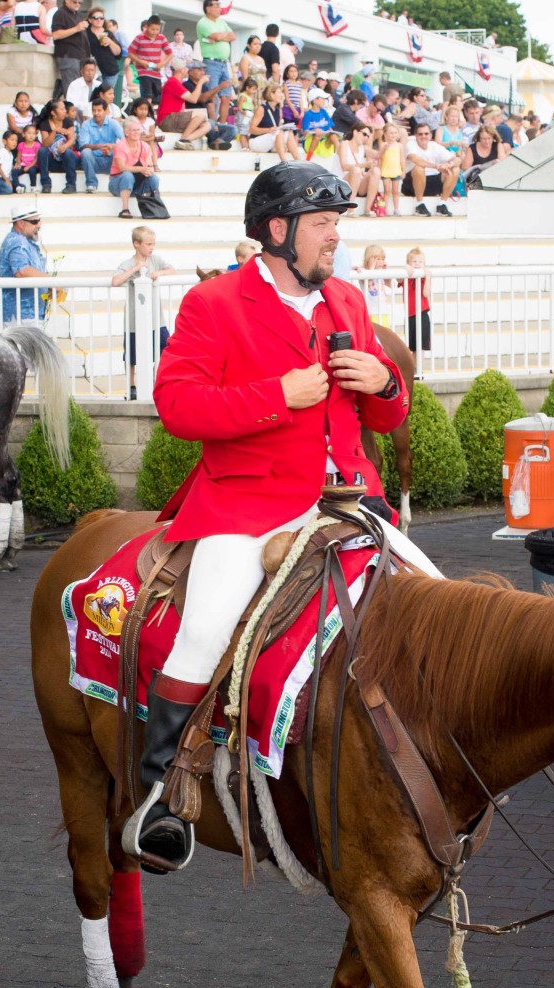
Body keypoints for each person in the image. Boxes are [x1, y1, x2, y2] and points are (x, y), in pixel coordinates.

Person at [121, 163, 414, 873]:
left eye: (336, 225)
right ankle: (162, 792)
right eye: (323, 225)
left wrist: (386, 382)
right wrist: (277, 393)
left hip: (350, 501)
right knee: (205, 627)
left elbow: (386, 412)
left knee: (433, 601)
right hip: (247, 504)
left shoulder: (346, 300)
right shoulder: (213, 304)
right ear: (278, 232)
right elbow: (179, 407)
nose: (335, 237)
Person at [112, 224, 175, 396]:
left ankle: (158, 382)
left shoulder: (156, 260)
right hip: (134, 319)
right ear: (136, 244)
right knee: (131, 354)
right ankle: (131, 387)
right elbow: (115, 281)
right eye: (148, 244)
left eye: (153, 244)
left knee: (165, 347)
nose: (152, 248)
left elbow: (172, 269)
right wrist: (135, 269)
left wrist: (159, 274)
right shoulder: (127, 263)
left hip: (156, 318)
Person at [0, 202, 49, 323]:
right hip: (21, 315)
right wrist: (51, 281)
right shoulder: (17, 242)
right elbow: (22, 271)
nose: (39, 225)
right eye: (34, 222)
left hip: (27, 313)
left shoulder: (25, 242)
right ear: (20, 223)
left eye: (39, 220)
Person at [109, 118, 160, 218]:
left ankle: (153, 208)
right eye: (133, 130)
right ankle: (125, 209)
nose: (136, 133)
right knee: (128, 175)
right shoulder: (120, 146)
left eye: (138, 130)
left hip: (137, 184)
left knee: (153, 177)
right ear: (126, 132)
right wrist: (141, 169)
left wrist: (148, 171)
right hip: (118, 184)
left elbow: (149, 165)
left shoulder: (145, 146)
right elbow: (122, 168)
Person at [405, 123, 459, 217]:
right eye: (420, 134)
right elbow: (416, 160)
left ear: (430, 135)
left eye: (426, 134)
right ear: (416, 136)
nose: (423, 136)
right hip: (412, 183)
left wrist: (448, 165)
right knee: (418, 168)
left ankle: (442, 204)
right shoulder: (411, 144)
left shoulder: (434, 145)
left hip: (432, 181)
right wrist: (437, 166)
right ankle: (419, 205)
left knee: (455, 169)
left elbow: (457, 160)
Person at [196, 0, 235, 125]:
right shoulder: (203, 22)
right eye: (216, 5)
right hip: (211, 63)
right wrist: (222, 36)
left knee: (226, 96)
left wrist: (220, 37)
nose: (219, 8)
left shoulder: (221, 22)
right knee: (212, 95)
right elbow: (216, 36)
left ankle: (222, 124)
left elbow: (232, 36)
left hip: (224, 63)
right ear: (208, 8)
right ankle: (212, 124)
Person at [157, 63, 212, 148]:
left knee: (207, 125)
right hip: (167, 119)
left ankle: (185, 140)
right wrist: (200, 82)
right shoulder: (173, 82)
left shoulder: (176, 83)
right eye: (186, 68)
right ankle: (183, 139)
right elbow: (194, 99)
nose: (188, 70)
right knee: (201, 114)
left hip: (173, 119)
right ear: (181, 70)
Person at [51, 0, 93, 95]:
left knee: (82, 89)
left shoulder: (76, 15)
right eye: (75, 1)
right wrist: (76, 28)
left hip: (81, 57)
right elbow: (56, 35)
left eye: (80, 2)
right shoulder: (60, 13)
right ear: (66, 0)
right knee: (72, 89)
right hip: (69, 56)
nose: (78, 4)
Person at [77, 94, 125, 188]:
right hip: (94, 161)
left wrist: (112, 147)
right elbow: (83, 146)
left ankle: (121, 183)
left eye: (99, 110)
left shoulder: (114, 124)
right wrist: (99, 146)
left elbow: (125, 142)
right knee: (85, 152)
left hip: (111, 160)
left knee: (121, 150)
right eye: (94, 110)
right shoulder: (86, 125)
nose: (96, 113)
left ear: (106, 111)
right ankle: (91, 184)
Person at [128, 15, 173, 103]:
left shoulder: (162, 38)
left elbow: (170, 53)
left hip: (156, 72)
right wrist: (141, 62)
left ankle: (152, 114)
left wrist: (162, 64)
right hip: (143, 71)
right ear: (147, 27)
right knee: (147, 96)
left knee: (157, 98)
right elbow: (130, 52)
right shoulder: (139, 38)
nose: (155, 32)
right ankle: (147, 113)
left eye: (157, 29)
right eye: (152, 29)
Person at [404, 246, 431, 372]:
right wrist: (406, 269)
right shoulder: (407, 277)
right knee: (412, 346)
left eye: (420, 262)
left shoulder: (424, 276)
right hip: (410, 315)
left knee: (420, 346)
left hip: (422, 313)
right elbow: (397, 280)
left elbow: (426, 293)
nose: (417, 264)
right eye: (414, 262)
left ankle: (419, 369)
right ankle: (413, 369)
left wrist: (428, 277)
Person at [84, 6, 123, 93]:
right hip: (94, 70)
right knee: (94, 95)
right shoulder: (86, 33)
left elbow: (118, 53)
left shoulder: (108, 33)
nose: (99, 20)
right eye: (96, 18)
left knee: (106, 96)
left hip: (110, 70)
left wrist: (110, 42)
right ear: (90, 20)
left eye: (101, 18)